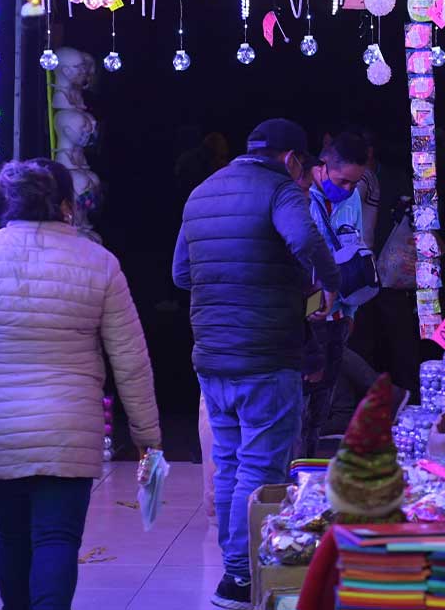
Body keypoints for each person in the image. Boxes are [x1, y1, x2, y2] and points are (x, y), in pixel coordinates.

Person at [0, 159, 162, 610]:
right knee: (57, 539)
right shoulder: (100, 263)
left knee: (14, 537)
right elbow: (131, 360)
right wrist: (147, 436)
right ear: (67, 205)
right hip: (70, 425)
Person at [173, 118, 340, 610]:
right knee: (261, 465)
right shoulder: (280, 190)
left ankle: (233, 571)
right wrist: (330, 284)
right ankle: (242, 577)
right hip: (265, 353)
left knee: (227, 462)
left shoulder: (201, 192)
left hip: (211, 355)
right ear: (292, 160)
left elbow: (181, 274)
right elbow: (306, 242)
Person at [301, 132, 370, 459]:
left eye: (354, 184)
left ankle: (309, 463)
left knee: (323, 399)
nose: (348, 190)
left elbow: (355, 249)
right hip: (307, 309)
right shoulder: (298, 195)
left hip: (340, 311)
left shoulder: (352, 199)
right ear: (323, 166)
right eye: (343, 182)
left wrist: (351, 314)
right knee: (301, 394)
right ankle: (289, 469)